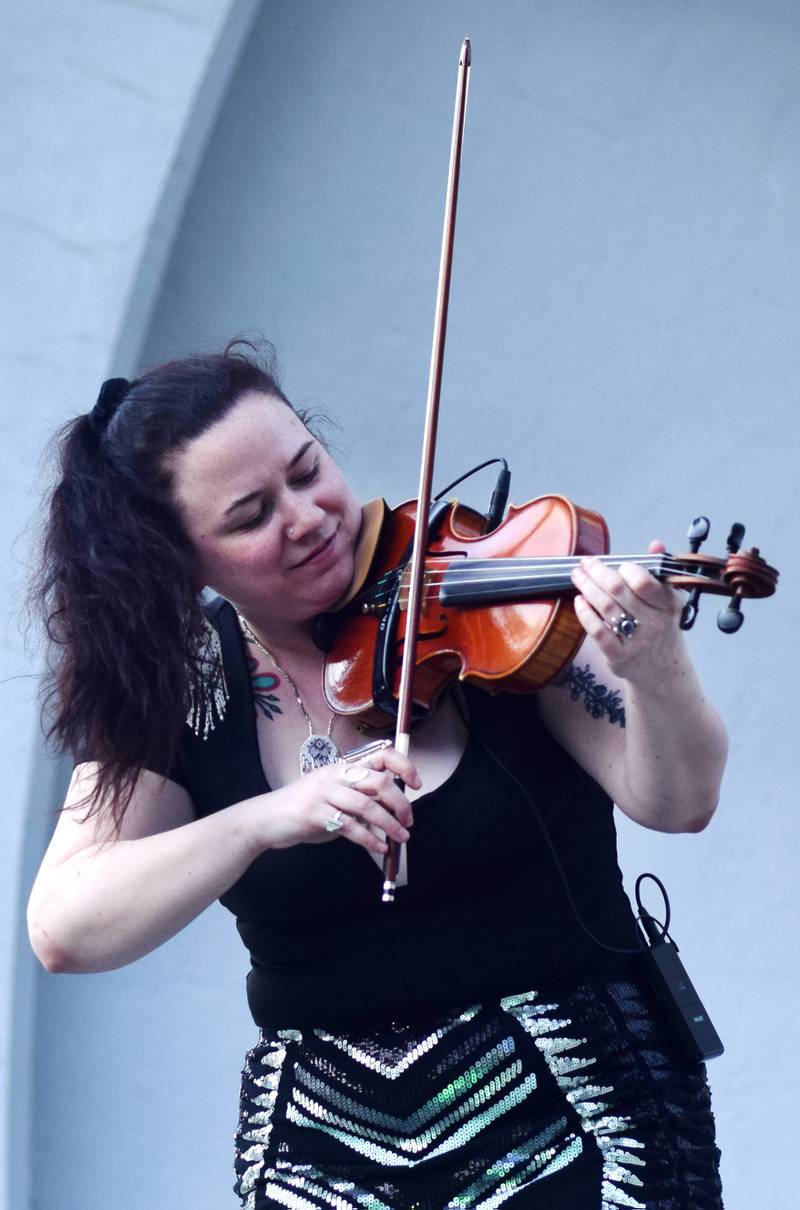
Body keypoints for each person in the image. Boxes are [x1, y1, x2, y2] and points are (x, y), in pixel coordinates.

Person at [27, 342, 728, 1209]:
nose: (310, 516)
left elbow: (680, 800)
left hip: (578, 1112)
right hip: (325, 1150)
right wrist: (264, 819)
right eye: (251, 515)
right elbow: (67, 926)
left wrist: (655, 667)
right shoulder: (183, 686)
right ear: (183, 561)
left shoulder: (485, 595)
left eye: (307, 471)